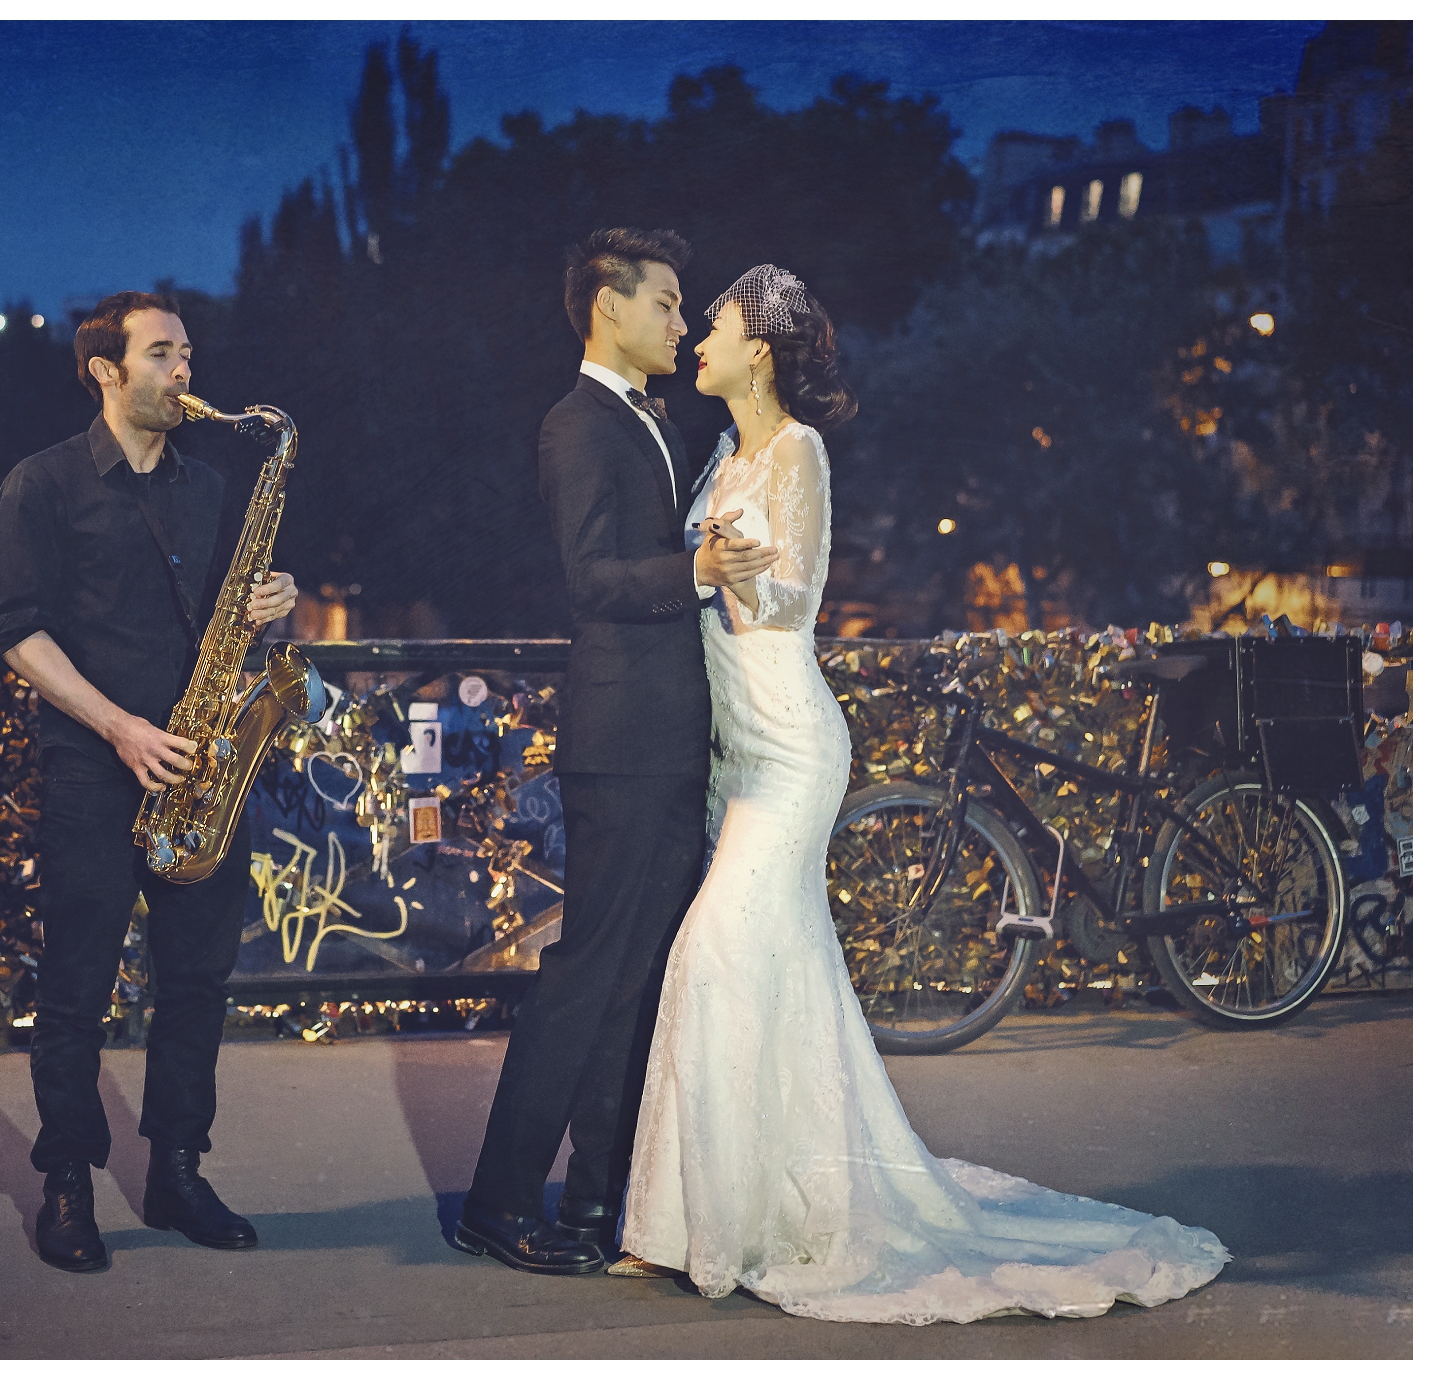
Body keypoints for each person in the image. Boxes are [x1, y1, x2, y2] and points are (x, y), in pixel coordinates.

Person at [609, 264, 1231, 1321]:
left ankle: (719, 1224)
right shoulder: (720, 450)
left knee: (713, 951)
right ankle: (708, 1218)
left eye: (709, 322)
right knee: (779, 970)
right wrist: (708, 560)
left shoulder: (795, 450)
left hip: (794, 750)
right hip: (737, 753)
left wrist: (733, 562)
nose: (697, 338)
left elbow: (791, 596)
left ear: (755, 348)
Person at [454, 229, 779, 1275]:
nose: (681, 325)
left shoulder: (646, 421)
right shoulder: (576, 424)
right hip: (623, 741)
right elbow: (591, 579)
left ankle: (598, 1203)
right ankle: (497, 1203)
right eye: (669, 304)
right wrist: (695, 566)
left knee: (636, 975)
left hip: (664, 737)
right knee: (586, 974)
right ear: (608, 304)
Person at [0, 290, 298, 1274]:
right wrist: (119, 727)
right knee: (77, 989)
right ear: (104, 371)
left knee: (197, 985)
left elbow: (218, 626)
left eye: (187, 353)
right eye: (161, 354)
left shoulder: (208, 489)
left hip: (199, 766)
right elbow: (17, 634)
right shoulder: (38, 484)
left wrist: (266, 607)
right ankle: (68, 1187)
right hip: (93, 763)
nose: (183, 372)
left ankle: (175, 1171)